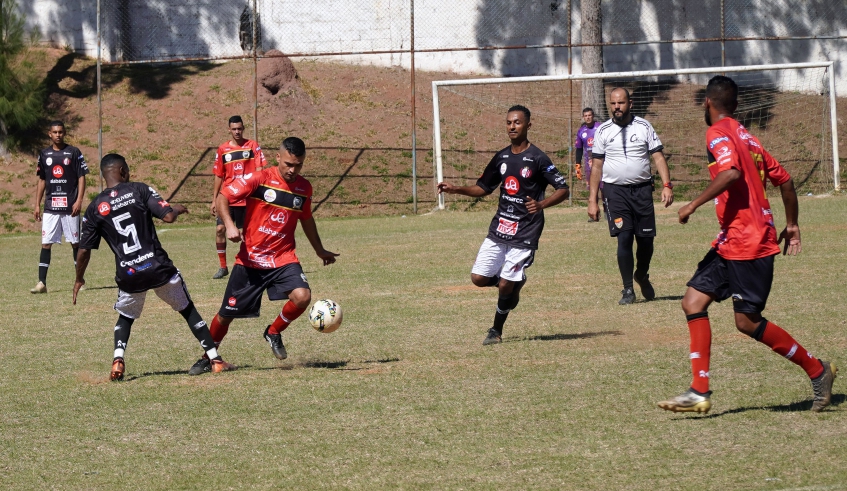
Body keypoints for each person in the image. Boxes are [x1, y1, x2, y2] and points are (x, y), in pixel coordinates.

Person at [657, 75, 836, 414]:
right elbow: (785, 179)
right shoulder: (748, 137)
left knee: (747, 321)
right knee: (693, 302)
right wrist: (792, 223)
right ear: (736, 106)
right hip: (731, 240)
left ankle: (817, 369)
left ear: (707, 103)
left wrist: (691, 205)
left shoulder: (718, 133)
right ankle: (699, 389)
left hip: (750, 242)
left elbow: (731, 173)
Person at [73, 154, 235, 380]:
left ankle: (118, 360)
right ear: (121, 171)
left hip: (129, 274)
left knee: (126, 315)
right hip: (157, 267)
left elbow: (83, 249)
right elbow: (168, 216)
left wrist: (79, 278)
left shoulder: (94, 209)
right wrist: (176, 209)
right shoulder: (139, 190)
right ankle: (215, 359)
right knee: (187, 309)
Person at [191, 137, 338, 372]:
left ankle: (273, 331)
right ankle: (209, 356)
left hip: (283, 258)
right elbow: (223, 197)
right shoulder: (260, 179)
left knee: (302, 296)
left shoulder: (304, 188)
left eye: (298, 165)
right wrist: (229, 225)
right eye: (288, 163)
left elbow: (306, 218)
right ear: (278, 158)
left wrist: (319, 250)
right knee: (225, 315)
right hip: (251, 260)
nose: (292, 170)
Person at [438, 105, 569, 346]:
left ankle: (495, 330)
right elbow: (483, 188)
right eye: (509, 122)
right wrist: (456, 189)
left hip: (526, 229)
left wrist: (542, 204)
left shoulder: (538, 158)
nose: (512, 126)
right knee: (478, 278)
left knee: (506, 284)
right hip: (500, 227)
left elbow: (563, 189)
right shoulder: (502, 157)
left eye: (517, 122)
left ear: (528, 125)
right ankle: (512, 284)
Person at [587, 88, 674, 305]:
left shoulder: (644, 126)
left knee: (645, 241)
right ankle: (627, 289)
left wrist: (667, 185)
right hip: (615, 192)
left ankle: (641, 274)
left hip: (642, 190)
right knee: (624, 237)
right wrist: (592, 200)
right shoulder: (603, 130)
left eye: (621, 103)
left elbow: (659, 157)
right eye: (613, 103)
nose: (617, 107)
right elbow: (597, 166)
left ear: (630, 104)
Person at [31, 121, 88, 294]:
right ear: (50, 134)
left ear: (64, 133)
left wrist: (79, 200)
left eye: (61, 132)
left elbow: (81, 177)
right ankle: (41, 283)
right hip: (50, 207)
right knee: (46, 243)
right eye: (55, 132)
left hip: (70, 207)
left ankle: (80, 280)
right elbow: (42, 180)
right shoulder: (44, 154)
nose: (58, 135)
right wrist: (37, 204)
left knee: (75, 243)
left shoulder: (73, 152)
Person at [210, 115, 267, 279]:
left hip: (247, 198)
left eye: (239, 129)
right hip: (227, 198)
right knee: (220, 228)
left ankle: (253, 265)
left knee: (248, 235)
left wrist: (257, 193)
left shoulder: (252, 146)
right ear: (229, 129)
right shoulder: (222, 149)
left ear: (243, 129)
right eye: (234, 129)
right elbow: (218, 175)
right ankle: (223, 267)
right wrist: (214, 199)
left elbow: (260, 169)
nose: (237, 132)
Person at [574, 107, 601, 191]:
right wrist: (578, 166)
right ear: (583, 117)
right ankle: (593, 203)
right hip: (588, 164)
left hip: (602, 162)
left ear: (593, 116)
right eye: (585, 116)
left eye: (589, 115)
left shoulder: (600, 127)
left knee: (604, 188)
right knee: (592, 189)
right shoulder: (581, 131)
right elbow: (579, 149)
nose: (588, 117)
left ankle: (606, 204)